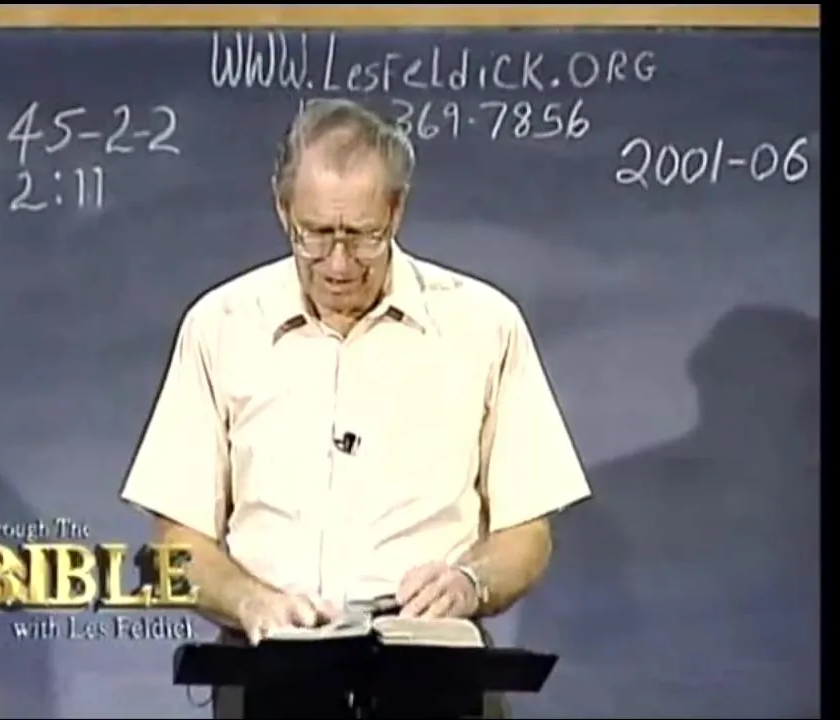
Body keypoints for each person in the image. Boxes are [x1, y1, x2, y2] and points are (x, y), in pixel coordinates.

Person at [120, 99, 591, 719]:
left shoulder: (484, 326)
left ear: (397, 210)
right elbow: (178, 540)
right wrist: (250, 601)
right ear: (282, 209)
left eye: (363, 236)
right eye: (315, 235)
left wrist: (470, 581)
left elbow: (527, 532)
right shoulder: (220, 325)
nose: (339, 264)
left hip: (435, 676)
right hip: (269, 674)